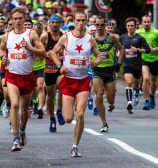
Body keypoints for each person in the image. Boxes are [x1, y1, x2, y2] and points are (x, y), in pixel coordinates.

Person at [50, 11, 101, 158]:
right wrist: (60, 66)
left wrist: (95, 62)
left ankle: (75, 146)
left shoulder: (90, 39)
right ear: (74, 21)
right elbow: (53, 53)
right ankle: (67, 107)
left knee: (80, 114)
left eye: (83, 20)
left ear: (86, 22)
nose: (80, 23)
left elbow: (99, 56)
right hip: (68, 80)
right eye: (78, 20)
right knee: (68, 118)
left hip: (83, 81)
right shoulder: (66, 37)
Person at [0, 7, 46, 152]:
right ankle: (15, 138)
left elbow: (43, 53)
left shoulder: (31, 34)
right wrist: (3, 56)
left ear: (24, 18)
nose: (18, 21)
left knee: (25, 111)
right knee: (14, 105)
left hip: (27, 77)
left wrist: (30, 48)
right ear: (11, 20)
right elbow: (1, 49)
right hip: (12, 76)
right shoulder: (7, 36)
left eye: (20, 18)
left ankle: (23, 130)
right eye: (15, 19)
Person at [92, 17, 123, 132]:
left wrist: (118, 64)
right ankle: (104, 123)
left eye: (102, 25)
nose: (99, 27)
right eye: (97, 25)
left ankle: (111, 103)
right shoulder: (91, 39)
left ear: (105, 25)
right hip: (97, 70)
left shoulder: (112, 37)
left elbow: (122, 49)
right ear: (94, 25)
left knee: (110, 99)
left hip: (110, 70)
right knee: (99, 95)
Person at [119, 17, 151, 114]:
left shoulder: (140, 38)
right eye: (128, 26)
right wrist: (118, 53)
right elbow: (118, 49)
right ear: (126, 27)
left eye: (132, 26)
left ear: (135, 27)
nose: (130, 28)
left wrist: (138, 50)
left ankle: (137, 91)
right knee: (129, 83)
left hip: (137, 65)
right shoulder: (122, 38)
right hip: (127, 64)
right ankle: (129, 103)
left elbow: (148, 50)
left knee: (136, 84)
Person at [136, 15, 158, 110]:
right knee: (146, 79)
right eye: (144, 22)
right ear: (142, 22)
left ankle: (152, 95)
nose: (146, 23)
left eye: (148, 22)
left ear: (150, 22)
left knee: (153, 81)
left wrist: (155, 49)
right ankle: (146, 101)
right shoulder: (138, 32)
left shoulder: (156, 32)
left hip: (155, 59)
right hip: (144, 59)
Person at [42, 14, 64, 132]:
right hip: (49, 69)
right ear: (49, 24)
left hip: (61, 67)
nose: (54, 24)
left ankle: (59, 111)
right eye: (52, 22)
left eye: (57, 22)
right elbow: (39, 50)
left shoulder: (64, 36)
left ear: (60, 24)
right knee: (50, 96)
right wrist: (44, 54)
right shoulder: (45, 37)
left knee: (62, 88)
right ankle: (52, 118)